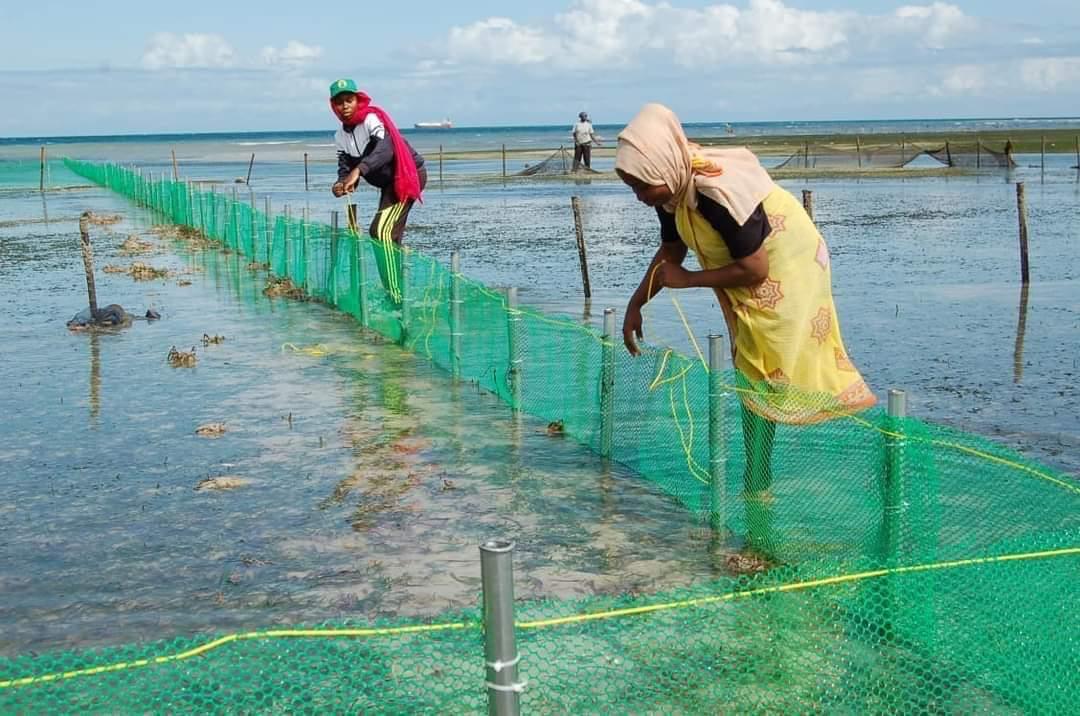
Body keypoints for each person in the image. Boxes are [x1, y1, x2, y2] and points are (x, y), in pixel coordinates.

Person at [616, 103, 875, 500]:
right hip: (748, 266)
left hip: (787, 263)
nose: (638, 197)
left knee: (769, 362)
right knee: (748, 362)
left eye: (641, 187)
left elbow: (755, 268)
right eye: (633, 187)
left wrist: (690, 281)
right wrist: (637, 304)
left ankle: (760, 481)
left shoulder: (716, 194)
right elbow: (671, 251)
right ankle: (759, 476)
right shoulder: (671, 192)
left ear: (663, 167)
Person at [329, 78, 426, 305]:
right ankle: (399, 293)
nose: (345, 106)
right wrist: (340, 183)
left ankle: (395, 296)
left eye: (349, 100)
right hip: (388, 185)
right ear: (333, 106)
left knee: (379, 232)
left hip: (407, 177)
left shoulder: (372, 119)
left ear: (358, 100)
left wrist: (359, 171)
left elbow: (386, 149)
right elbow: (344, 168)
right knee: (389, 237)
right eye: (340, 102)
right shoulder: (340, 137)